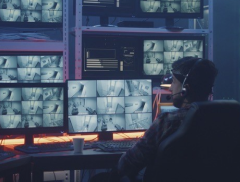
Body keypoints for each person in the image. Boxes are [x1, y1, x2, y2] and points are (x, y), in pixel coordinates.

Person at [90, 57, 218, 182]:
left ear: (185, 89)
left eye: (173, 82)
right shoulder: (222, 121)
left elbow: (128, 163)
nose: (170, 88)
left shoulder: (168, 121)